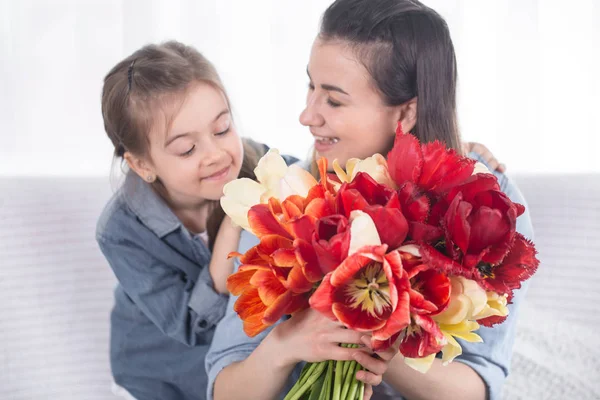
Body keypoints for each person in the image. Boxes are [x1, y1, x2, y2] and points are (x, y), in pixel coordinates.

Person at [206, 1, 533, 399]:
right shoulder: (288, 195)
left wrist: (378, 335)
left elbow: (476, 388)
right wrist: (284, 345)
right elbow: (224, 389)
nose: (306, 116)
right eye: (311, 86)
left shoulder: (485, 204)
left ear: (406, 113)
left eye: (334, 100)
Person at [96, 41, 279, 400]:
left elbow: (303, 182)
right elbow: (191, 326)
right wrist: (233, 221)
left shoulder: (257, 164)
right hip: (158, 373)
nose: (215, 155)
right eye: (187, 149)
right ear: (143, 165)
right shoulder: (119, 231)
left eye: (223, 129)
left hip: (236, 362)